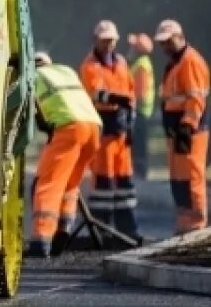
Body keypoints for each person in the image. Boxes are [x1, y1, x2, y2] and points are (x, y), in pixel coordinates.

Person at [25, 51, 102, 259]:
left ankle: (41, 240)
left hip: (69, 128)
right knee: (69, 183)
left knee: (48, 183)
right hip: (93, 128)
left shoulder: (32, 77)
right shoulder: (66, 71)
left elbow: (32, 114)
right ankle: (63, 229)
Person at [79, 19, 141, 244]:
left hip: (121, 129)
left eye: (111, 40)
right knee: (103, 181)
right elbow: (95, 93)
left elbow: (131, 93)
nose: (108, 44)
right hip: (103, 128)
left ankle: (127, 228)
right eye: (104, 40)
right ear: (96, 40)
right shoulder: (89, 65)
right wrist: (117, 98)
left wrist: (131, 124)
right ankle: (102, 228)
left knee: (124, 182)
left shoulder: (122, 63)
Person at [155, 19, 211, 234]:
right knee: (179, 178)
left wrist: (188, 125)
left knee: (192, 176)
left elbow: (196, 98)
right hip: (177, 130)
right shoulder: (175, 63)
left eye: (168, 41)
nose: (164, 46)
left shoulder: (190, 61)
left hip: (190, 131)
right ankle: (184, 219)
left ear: (180, 37)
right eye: (162, 43)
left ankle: (196, 221)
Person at [128, 32, 156, 180]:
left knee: (139, 144)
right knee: (138, 143)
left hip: (140, 111)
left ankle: (140, 172)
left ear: (138, 50)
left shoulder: (141, 66)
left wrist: (129, 105)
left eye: (133, 47)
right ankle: (139, 171)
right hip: (140, 110)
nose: (130, 49)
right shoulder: (141, 64)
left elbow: (140, 92)